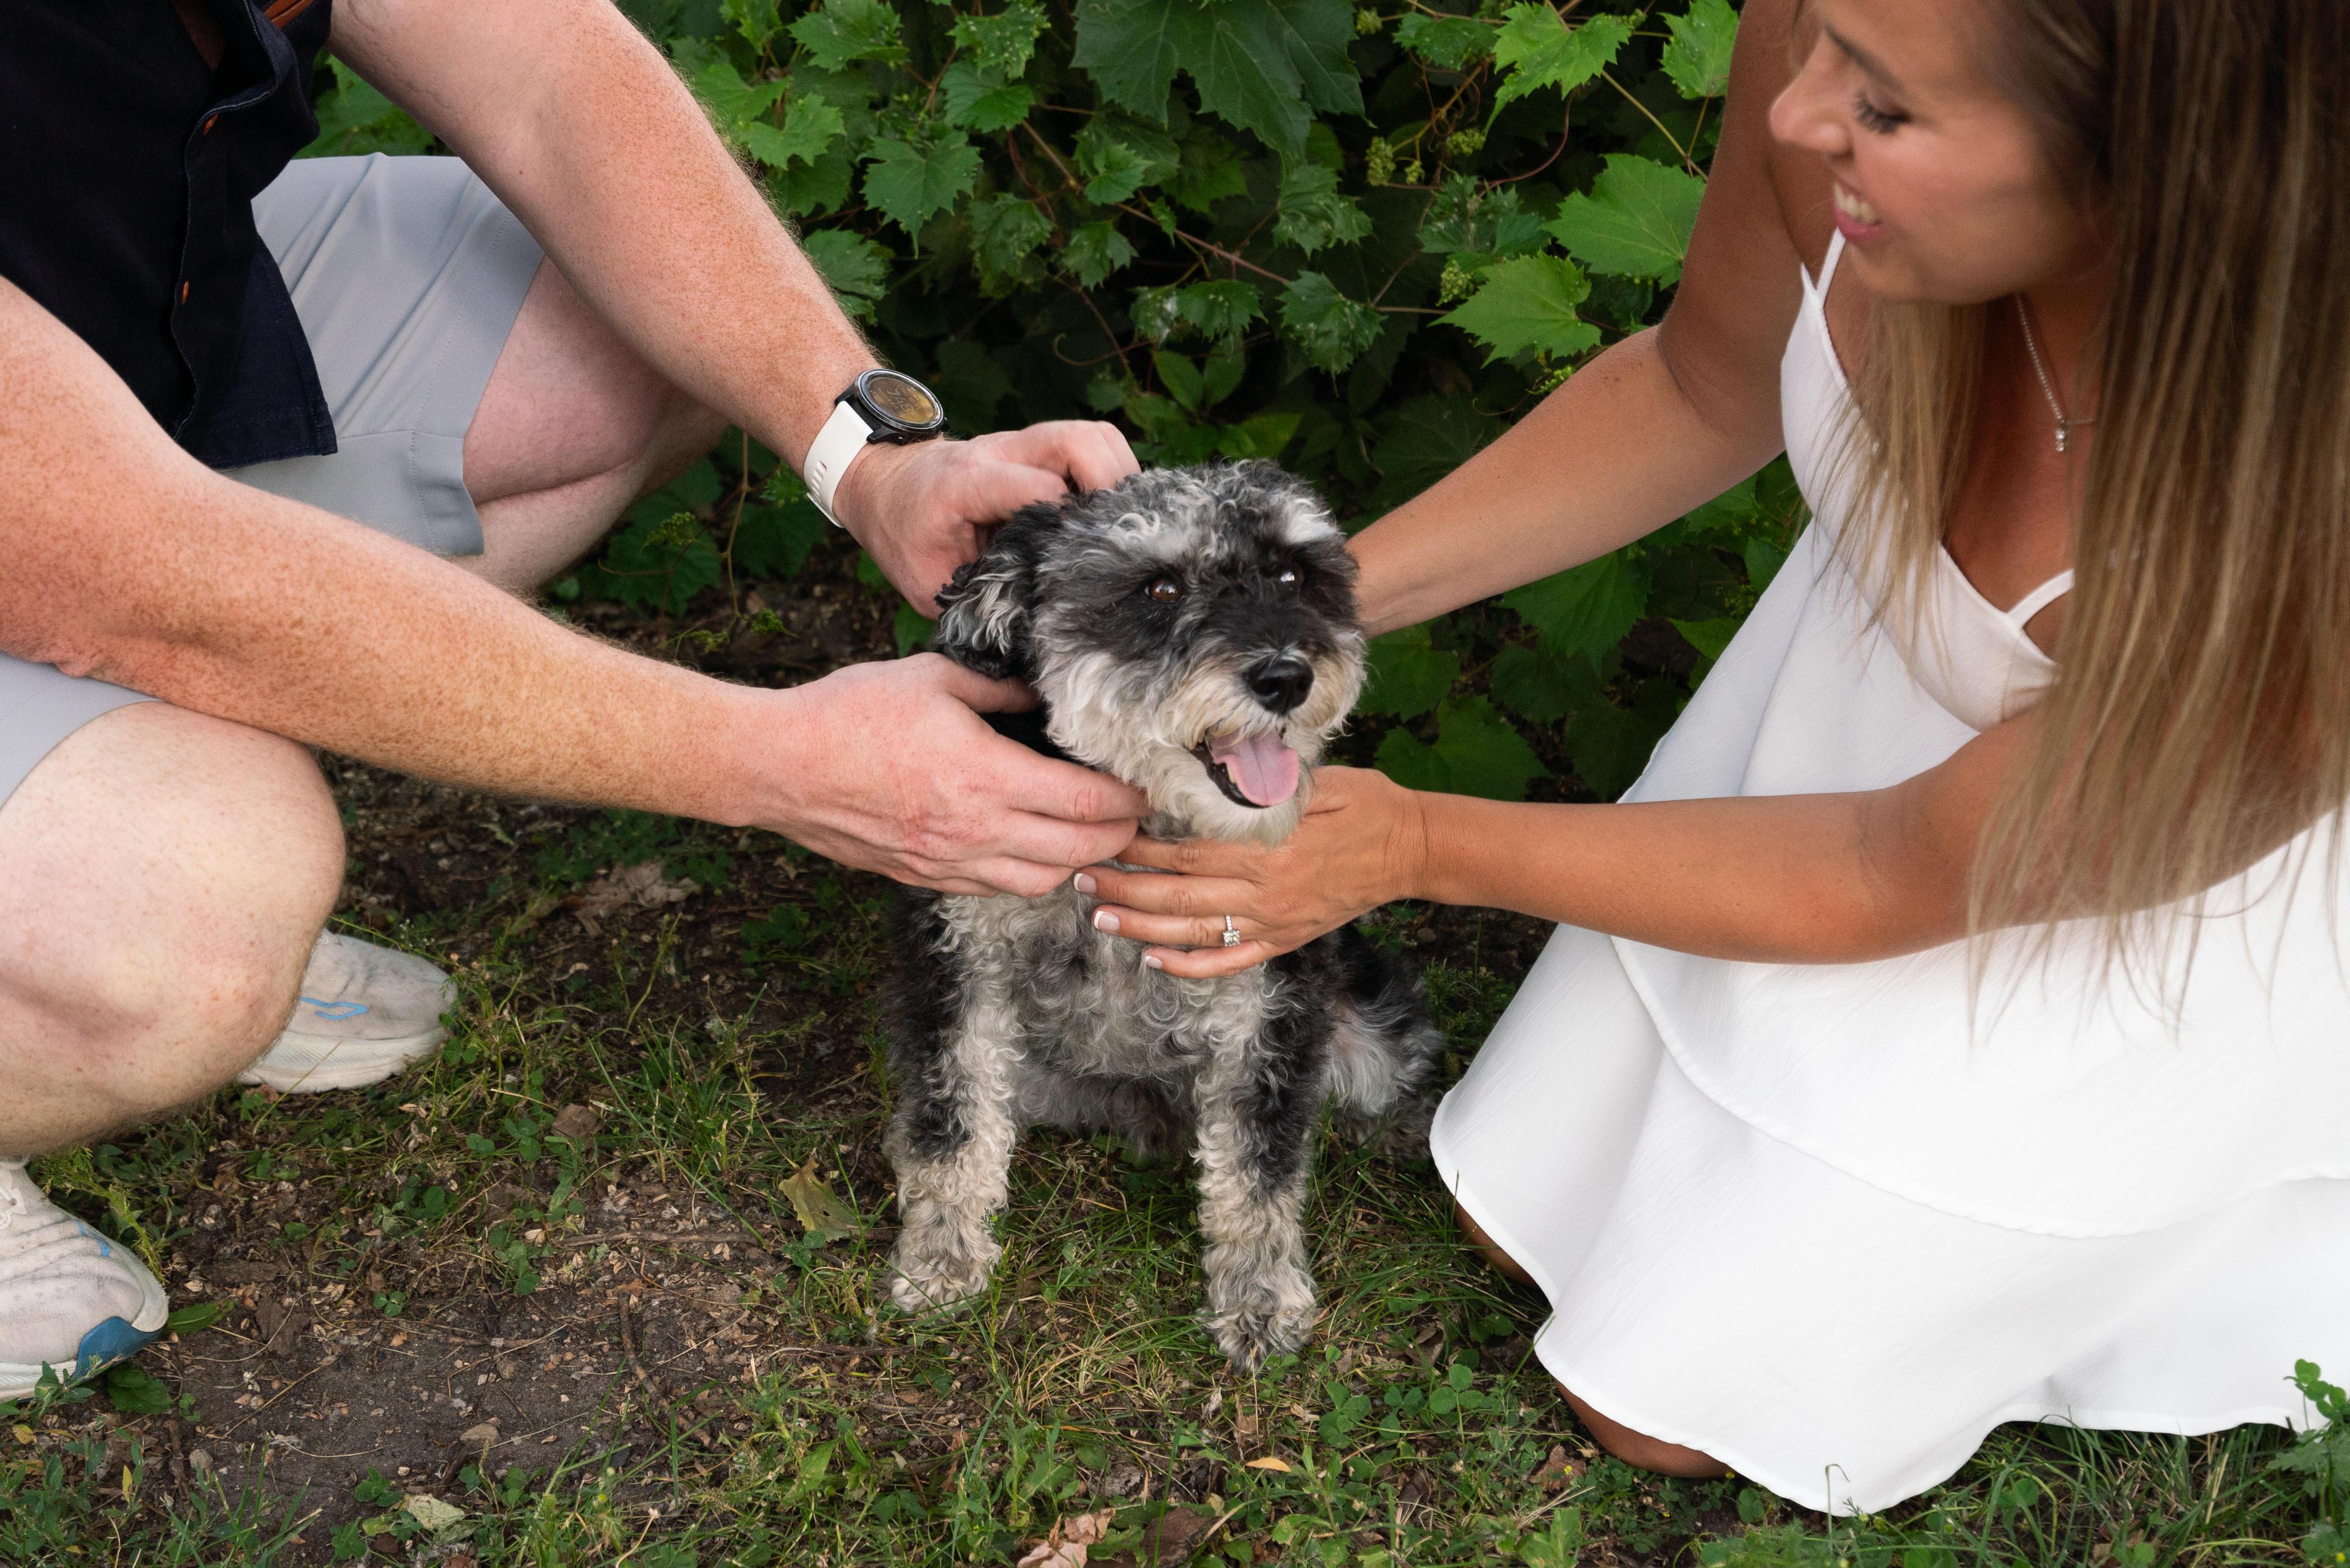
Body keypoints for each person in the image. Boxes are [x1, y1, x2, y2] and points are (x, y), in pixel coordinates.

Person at [1073, 0, 2350, 1513]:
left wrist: (1412, 843)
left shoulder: (2312, 533)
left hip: (2098, 876)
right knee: (1508, 1201)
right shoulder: (1834, 46)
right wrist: (1272, 627)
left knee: (1691, 1409)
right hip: (1851, 733)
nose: (1805, 116)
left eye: (1885, 111)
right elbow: (1699, 384)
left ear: (2161, 160)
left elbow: (1907, 861)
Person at [0, 0, 1148, 1399]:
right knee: (187, 923)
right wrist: (777, 761)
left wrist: (874, 459)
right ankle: (117, 871)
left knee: (633, 335)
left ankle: (118, 786)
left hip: (89, 336)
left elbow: (546, 68)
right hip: (61, 487)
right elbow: (130, 570)